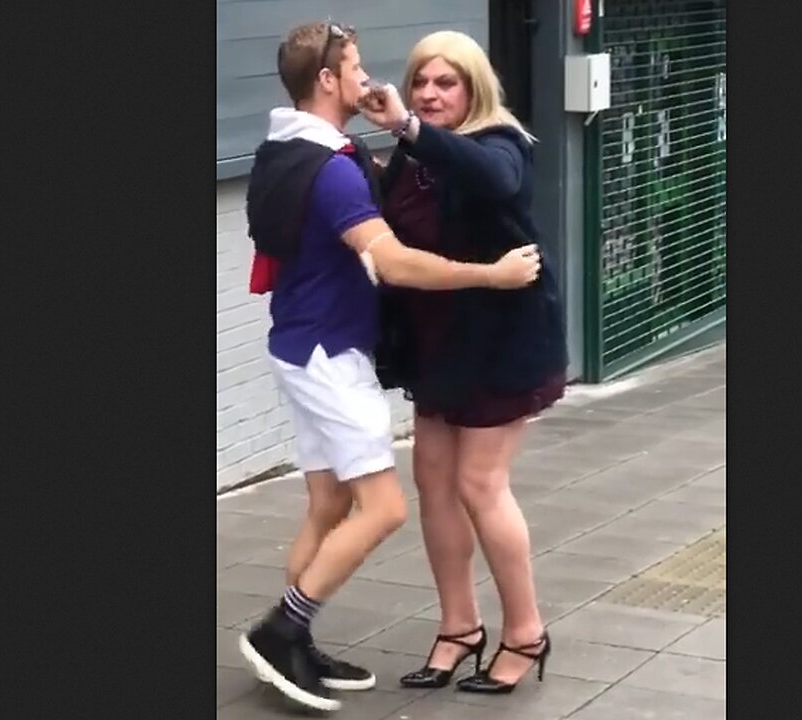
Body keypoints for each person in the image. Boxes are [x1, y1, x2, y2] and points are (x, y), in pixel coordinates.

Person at [237, 21, 542, 713]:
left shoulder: (285, 145)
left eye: (445, 82)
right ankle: (282, 629)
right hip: (327, 355)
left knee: (328, 505)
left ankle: (296, 641)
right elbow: (394, 261)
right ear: (327, 80)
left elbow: (490, 174)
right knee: (383, 509)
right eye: (354, 66)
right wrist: (490, 275)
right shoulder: (334, 169)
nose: (367, 77)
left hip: (300, 344)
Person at [360, 30, 568, 695]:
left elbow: (493, 180)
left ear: (473, 87)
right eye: (420, 81)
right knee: (434, 484)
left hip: (504, 343)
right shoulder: (412, 156)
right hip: (440, 343)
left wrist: (409, 125)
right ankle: (458, 627)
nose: (427, 93)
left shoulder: (500, 141)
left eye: (444, 83)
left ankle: (527, 631)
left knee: (481, 485)